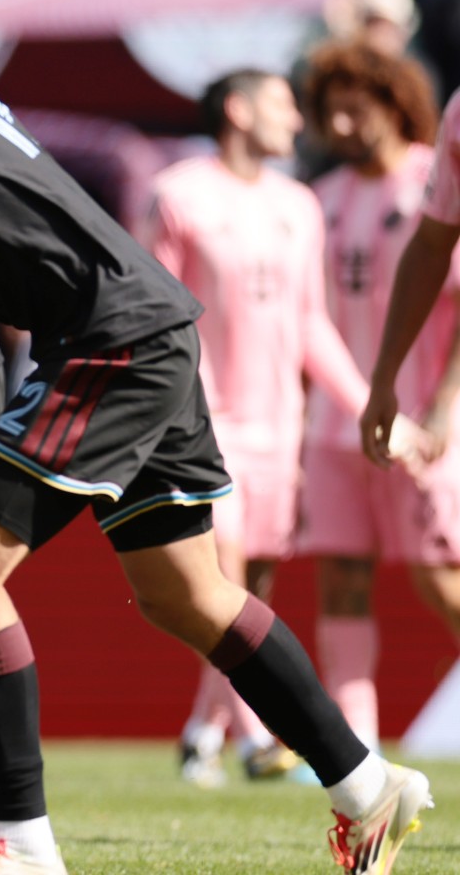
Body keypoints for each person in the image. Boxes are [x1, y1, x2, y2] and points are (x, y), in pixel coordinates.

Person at [0, 65, 432, 875]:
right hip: (158, 329)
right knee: (187, 592)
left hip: (111, 341)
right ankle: (368, 783)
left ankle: (21, 848)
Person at [142, 68, 370, 786]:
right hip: (208, 426)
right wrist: (194, 408)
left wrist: (369, 405)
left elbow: (310, 321)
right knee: (227, 579)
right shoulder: (177, 193)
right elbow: (158, 316)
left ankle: (201, 732)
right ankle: (259, 739)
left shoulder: (298, 204)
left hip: (282, 429)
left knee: (254, 591)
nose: (296, 121)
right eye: (281, 105)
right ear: (237, 110)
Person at [300, 44, 460, 750]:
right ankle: (352, 750)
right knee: (341, 580)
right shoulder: (318, 199)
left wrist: (447, 406)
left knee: (439, 575)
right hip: (336, 422)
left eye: (353, 106)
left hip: (426, 420)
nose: (338, 122)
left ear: (394, 104)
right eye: (327, 108)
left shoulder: (432, 175)